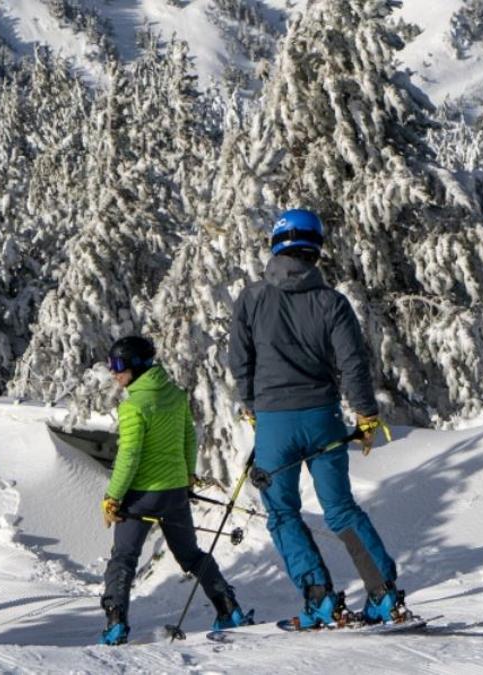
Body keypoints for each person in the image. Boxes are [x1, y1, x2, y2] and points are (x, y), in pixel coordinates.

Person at [228, 208, 404, 629]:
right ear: (315, 248)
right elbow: (353, 363)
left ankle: (320, 600)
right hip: (323, 418)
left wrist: (251, 404)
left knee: (283, 513)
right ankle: (383, 596)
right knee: (341, 509)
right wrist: (366, 414)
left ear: (276, 244)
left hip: (275, 423)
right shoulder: (332, 302)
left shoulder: (251, 299)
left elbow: (239, 361)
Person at [98, 336, 252, 646]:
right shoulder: (175, 395)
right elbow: (188, 440)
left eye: (118, 366)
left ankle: (116, 626)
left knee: (123, 560)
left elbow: (129, 456)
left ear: (137, 367)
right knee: (191, 555)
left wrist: (112, 497)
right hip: (174, 493)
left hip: (140, 496)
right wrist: (186, 478)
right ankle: (228, 609)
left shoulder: (133, 406)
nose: (114, 373)